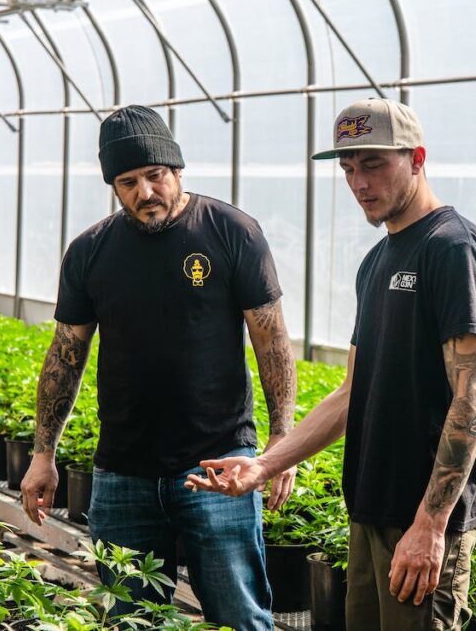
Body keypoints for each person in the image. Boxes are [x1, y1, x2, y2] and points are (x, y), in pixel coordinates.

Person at [187, 98, 476, 631]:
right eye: (349, 168)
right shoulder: (377, 262)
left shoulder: (453, 249)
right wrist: (268, 463)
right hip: (370, 510)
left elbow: (472, 396)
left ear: (417, 158)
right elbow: (351, 393)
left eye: (374, 164)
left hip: (419, 519)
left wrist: (431, 523)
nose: (359, 181)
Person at [19, 105, 297, 631]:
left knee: (239, 617)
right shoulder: (89, 252)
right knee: (130, 619)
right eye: (129, 182)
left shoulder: (232, 232)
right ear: (114, 187)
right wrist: (43, 454)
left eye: (155, 175)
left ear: (177, 171)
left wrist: (281, 445)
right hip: (124, 470)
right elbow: (64, 357)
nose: (145, 191)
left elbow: (272, 341)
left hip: (220, 465)